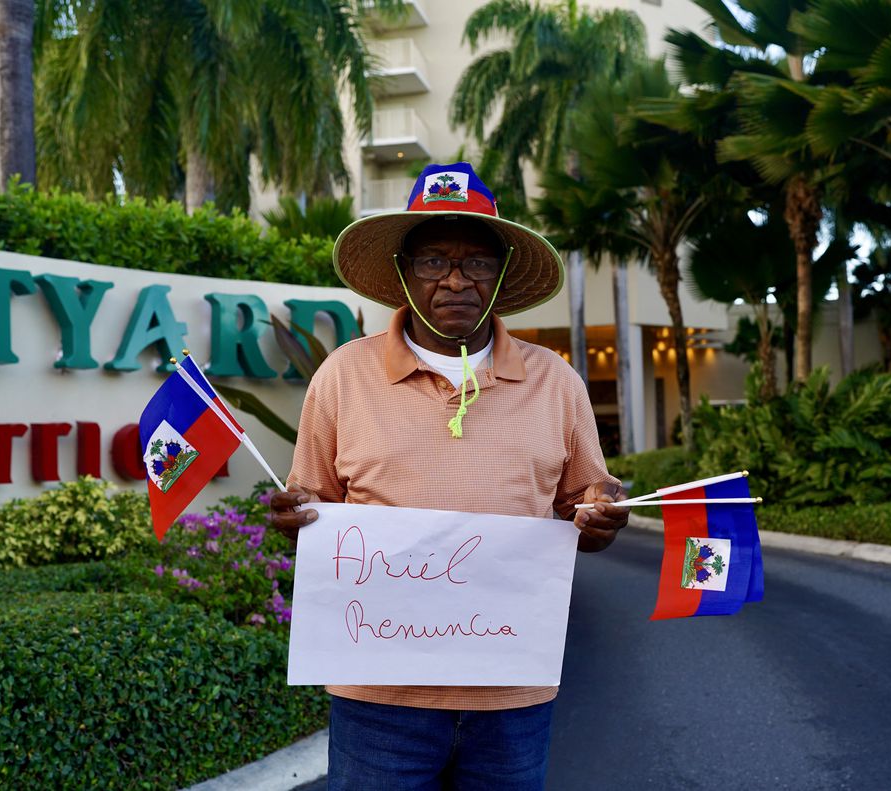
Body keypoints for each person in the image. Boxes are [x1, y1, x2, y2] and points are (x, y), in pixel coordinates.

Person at [269, 162, 630, 790]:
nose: (456, 279)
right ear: (405, 274)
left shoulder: (557, 383)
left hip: (511, 691)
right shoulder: (342, 377)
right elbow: (313, 512)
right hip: (379, 695)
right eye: (434, 261)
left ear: (500, 276)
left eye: (477, 263)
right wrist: (292, 522)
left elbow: (586, 507)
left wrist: (604, 514)